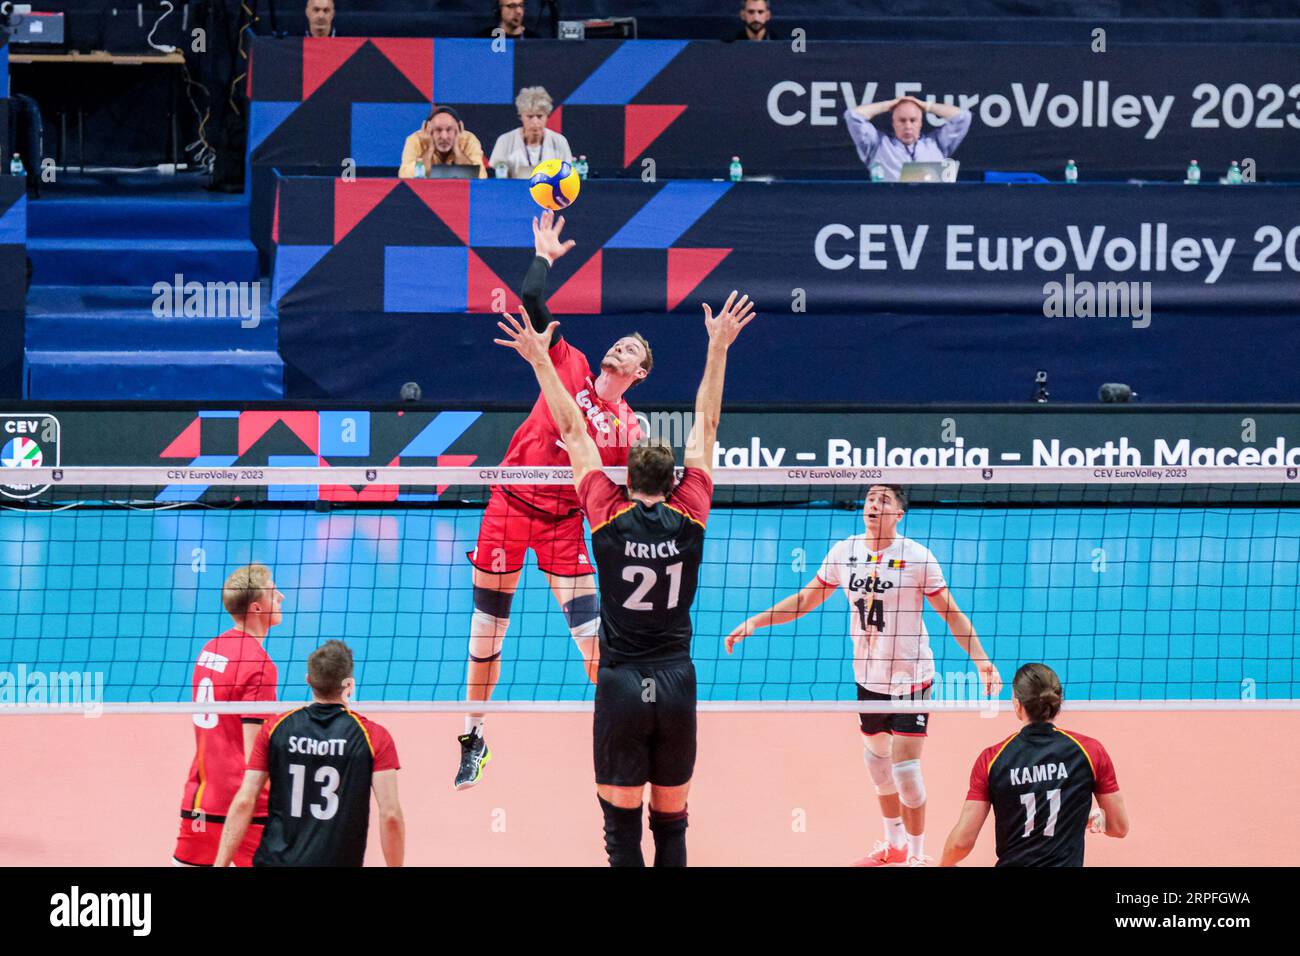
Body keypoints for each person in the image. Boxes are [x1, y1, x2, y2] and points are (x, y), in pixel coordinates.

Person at [495, 289, 756, 866]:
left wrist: (540, 359)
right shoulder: (691, 513)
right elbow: (706, 426)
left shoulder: (606, 516)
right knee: (672, 825)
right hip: (676, 680)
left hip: (619, 683)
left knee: (620, 833)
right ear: (674, 479)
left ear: (626, 473)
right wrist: (718, 350)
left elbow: (572, 429)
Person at [454, 210, 651, 790]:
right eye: (620, 340)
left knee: (593, 640)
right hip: (510, 508)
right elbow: (532, 297)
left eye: (633, 350)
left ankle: (624, 733)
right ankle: (473, 738)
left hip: (565, 524)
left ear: (640, 374)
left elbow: (626, 493)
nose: (620, 348)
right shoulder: (573, 365)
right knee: (486, 632)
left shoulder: (629, 428)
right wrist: (543, 254)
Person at [726, 484, 1001, 867]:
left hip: (910, 678)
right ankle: (894, 845)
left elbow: (951, 614)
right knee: (877, 765)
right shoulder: (845, 551)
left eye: (884, 500)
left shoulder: (918, 558)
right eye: (871, 498)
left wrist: (982, 660)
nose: (873, 504)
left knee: (905, 771)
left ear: (899, 514)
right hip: (868, 679)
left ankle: (918, 856)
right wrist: (756, 622)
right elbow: (806, 600)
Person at [215, 640, 405, 867]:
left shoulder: (275, 728)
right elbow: (391, 815)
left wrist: (220, 864)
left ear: (308, 681)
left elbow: (245, 800)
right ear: (350, 685)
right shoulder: (374, 737)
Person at [941, 663, 1129, 866]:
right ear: (1057, 702)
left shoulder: (992, 759)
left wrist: (943, 864)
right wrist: (1089, 819)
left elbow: (961, 843)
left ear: (1017, 704)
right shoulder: (1090, 752)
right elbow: (1119, 827)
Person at [172, 564, 282, 867]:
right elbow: (254, 755)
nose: (282, 597)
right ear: (257, 607)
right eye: (274, 593)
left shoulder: (210, 649)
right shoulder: (260, 665)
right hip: (244, 808)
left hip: (200, 798)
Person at [844, 95, 972, 182]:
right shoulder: (877, 144)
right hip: (888, 209)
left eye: (913, 120)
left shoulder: (936, 143)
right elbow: (853, 116)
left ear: (921, 123)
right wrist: (888, 106)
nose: (908, 126)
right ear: (893, 123)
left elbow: (963, 117)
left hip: (931, 209)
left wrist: (925, 106)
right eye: (902, 120)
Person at [488, 86, 574, 179]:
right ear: (521, 116)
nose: (535, 122)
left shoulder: (559, 141)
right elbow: (496, 177)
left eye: (540, 116)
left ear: (547, 116)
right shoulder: (505, 140)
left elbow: (568, 176)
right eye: (529, 116)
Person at [399, 106, 487, 179]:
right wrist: (430, 149)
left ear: (459, 128)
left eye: (449, 130)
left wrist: (457, 149)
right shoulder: (415, 140)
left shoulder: (469, 140)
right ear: (427, 128)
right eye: (438, 130)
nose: (444, 136)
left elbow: (481, 177)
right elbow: (405, 176)